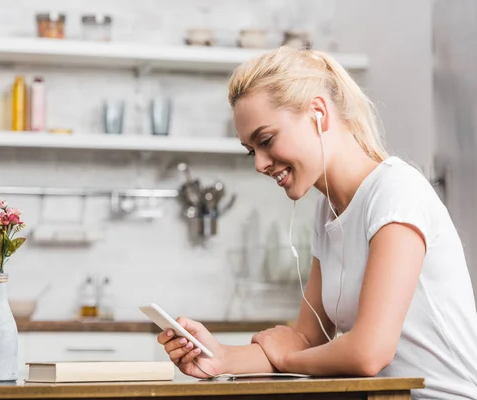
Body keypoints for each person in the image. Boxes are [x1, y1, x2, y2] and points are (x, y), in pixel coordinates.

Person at [157, 46, 477, 399]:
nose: (260, 164)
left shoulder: (395, 192)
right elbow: (310, 339)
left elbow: (369, 352)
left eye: (266, 141)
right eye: (252, 150)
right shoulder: (329, 212)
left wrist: (289, 356)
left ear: (318, 114)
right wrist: (219, 357)